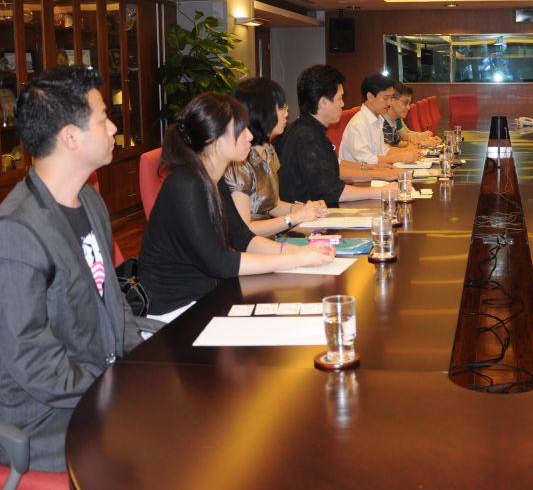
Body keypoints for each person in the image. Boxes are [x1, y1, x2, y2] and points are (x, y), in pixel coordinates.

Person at [0, 66, 144, 472]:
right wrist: (114, 390)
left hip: (94, 384)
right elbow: (34, 363)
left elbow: (112, 301)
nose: (113, 128)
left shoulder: (89, 201)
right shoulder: (14, 234)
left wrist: (143, 365)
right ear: (71, 137)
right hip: (40, 416)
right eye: (103, 118)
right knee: (162, 439)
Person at [139, 93, 335, 315]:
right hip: (177, 311)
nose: (250, 136)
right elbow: (220, 263)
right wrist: (294, 259)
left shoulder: (213, 178)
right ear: (214, 139)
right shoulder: (185, 185)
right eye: (241, 130)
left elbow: (242, 238)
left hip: (209, 296)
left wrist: (297, 251)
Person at [275, 65, 399, 205]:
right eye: (339, 98)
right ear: (323, 102)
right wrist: (382, 191)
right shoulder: (307, 137)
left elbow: (331, 170)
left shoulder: (307, 128)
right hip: (310, 215)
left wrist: (374, 170)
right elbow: (331, 191)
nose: (343, 104)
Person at [226, 78, 328, 237]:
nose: (286, 113)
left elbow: (273, 205)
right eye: (281, 107)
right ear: (261, 112)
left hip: (270, 238)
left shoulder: (268, 150)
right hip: (250, 246)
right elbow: (244, 230)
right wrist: (294, 218)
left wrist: (306, 209)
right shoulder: (239, 162)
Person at [339, 73, 421, 165]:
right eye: (386, 98)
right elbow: (365, 161)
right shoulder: (359, 124)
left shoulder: (378, 120)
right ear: (370, 97)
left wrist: (407, 152)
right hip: (362, 174)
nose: (389, 103)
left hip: (375, 171)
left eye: (391, 98)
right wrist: (399, 157)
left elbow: (383, 151)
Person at [383, 84, 440, 148]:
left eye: (409, 103)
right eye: (405, 103)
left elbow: (397, 143)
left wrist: (421, 143)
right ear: (391, 100)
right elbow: (386, 151)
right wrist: (419, 143)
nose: (409, 108)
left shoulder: (393, 121)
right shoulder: (381, 122)